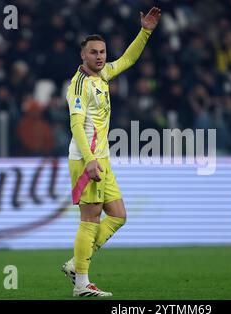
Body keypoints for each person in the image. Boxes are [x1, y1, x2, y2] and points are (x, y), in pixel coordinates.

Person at [61, 7, 161, 297]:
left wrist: (145, 31)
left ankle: (75, 264)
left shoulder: (103, 75)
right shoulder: (78, 85)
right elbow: (76, 125)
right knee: (90, 219)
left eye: (103, 51)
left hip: (101, 159)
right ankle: (81, 283)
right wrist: (90, 161)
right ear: (83, 55)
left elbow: (128, 59)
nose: (100, 56)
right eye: (94, 52)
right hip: (85, 160)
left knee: (118, 215)